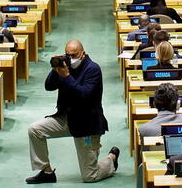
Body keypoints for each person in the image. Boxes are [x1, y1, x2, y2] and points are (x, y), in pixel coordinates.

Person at [26, 40, 117, 184]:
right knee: (35, 130)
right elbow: (48, 86)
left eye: (74, 55)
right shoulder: (65, 66)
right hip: (66, 119)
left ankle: (111, 159)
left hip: (87, 124)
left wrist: (67, 76)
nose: (71, 58)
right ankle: (47, 172)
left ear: (82, 54)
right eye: (68, 55)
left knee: (90, 176)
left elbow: (84, 95)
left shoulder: (92, 69)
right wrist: (55, 68)